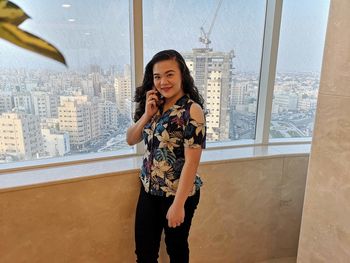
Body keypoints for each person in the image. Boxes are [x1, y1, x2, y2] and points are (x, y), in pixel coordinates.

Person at [126, 49, 206, 263]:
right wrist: (146, 115)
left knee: (176, 250)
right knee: (144, 253)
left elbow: (192, 162)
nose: (163, 82)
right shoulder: (155, 106)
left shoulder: (192, 110)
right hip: (149, 189)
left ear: (182, 75)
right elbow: (131, 139)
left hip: (177, 193)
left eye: (169, 74)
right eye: (157, 76)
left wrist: (178, 205)